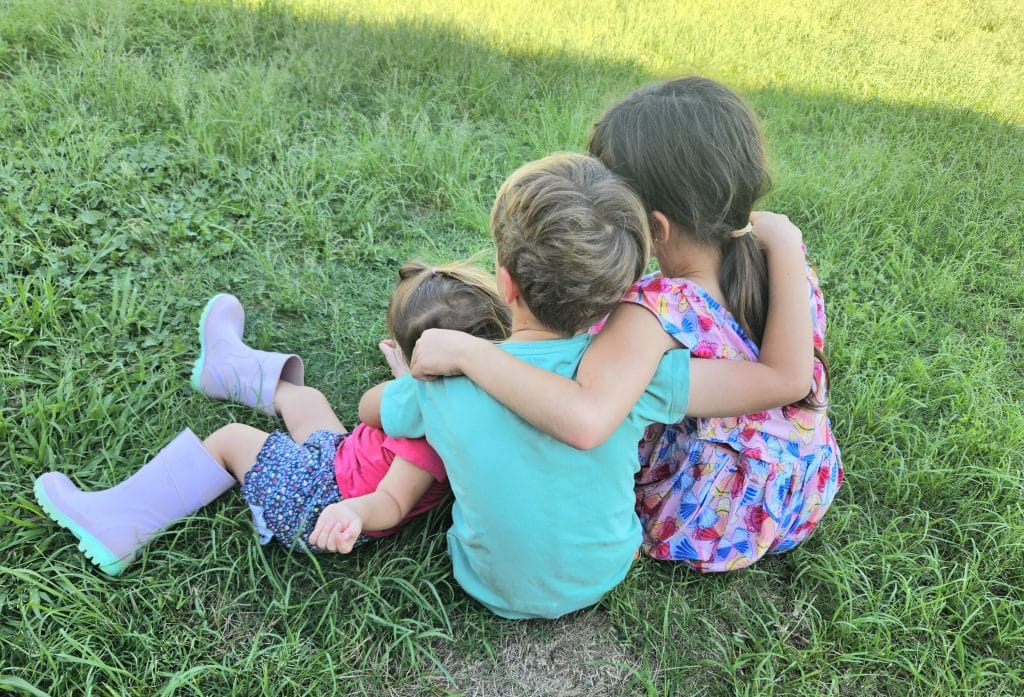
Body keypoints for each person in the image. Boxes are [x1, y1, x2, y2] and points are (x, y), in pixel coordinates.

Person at [410, 77, 843, 573]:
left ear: (654, 228)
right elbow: (788, 377)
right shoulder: (781, 263)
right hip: (799, 489)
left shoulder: (654, 311)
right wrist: (787, 239)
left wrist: (472, 352)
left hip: (714, 517)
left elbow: (585, 418)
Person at [358, 151, 814, 619]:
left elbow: (370, 409)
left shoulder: (440, 383)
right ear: (619, 292)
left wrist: (411, 378)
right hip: (606, 570)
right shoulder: (637, 376)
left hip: (486, 584)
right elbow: (772, 381)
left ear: (506, 282)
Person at [33, 261, 511, 576]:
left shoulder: (426, 433)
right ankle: (226, 368)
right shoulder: (470, 396)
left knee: (233, 440)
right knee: (307, 400)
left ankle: (119, 523)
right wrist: (408, 375)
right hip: (341, 461)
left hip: (323, 500)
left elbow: (391, 500)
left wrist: (351, 514)